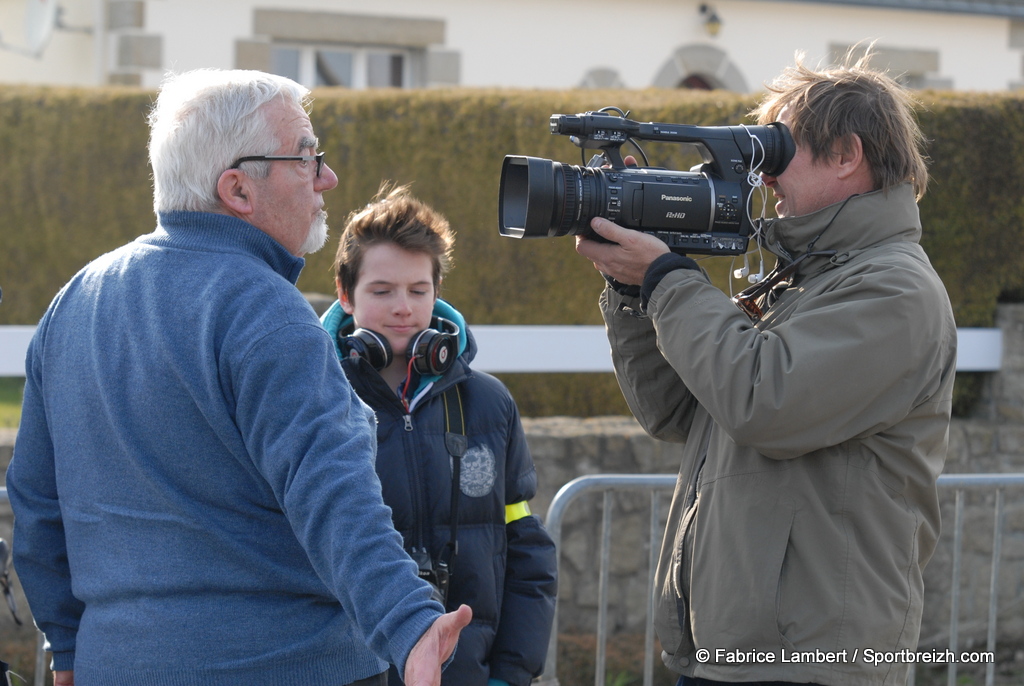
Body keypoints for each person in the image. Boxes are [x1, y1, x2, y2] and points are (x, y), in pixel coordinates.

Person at [5, 69, 471, 686]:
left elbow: (37, 501)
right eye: (307, 158)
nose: (327, 178)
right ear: (239, 190)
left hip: (113, 665)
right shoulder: (265, 310)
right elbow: (333, 492)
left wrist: (68, 648)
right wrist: (411, 624)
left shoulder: (74, 301)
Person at [575, 53, 957, 686]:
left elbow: (764, 402)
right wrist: (634, 292)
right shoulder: (806, 281)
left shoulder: (896, 292)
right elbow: (676, 410)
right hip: (733, 651)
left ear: (846, 155)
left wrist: (668, 279)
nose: (765, 179)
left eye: (777, 152)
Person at [320, 183, 558, 686]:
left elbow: (526, 553)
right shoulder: (313, 402)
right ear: (345, 294)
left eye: (418, 290)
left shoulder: (489, 404)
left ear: (437, 292)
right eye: (382, 291)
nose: (403, 307)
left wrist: (510, 674)